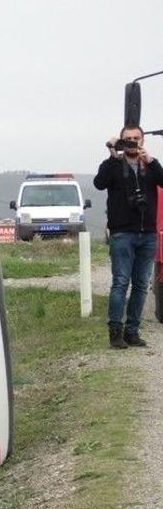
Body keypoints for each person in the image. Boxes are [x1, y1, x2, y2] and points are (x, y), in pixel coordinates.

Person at [94, 126, 163, 349]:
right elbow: (99, 183)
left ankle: (132, 331)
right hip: (122, 232)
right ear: (121, 142)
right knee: (121, 282)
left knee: (142, 285)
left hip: (148, 233)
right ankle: (115, 332)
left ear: (143, 140)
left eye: (136, 139)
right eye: (128, 140)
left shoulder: (151, 165)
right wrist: (112, 156)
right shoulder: (114, 165)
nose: (132, 142)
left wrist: (151, 161)